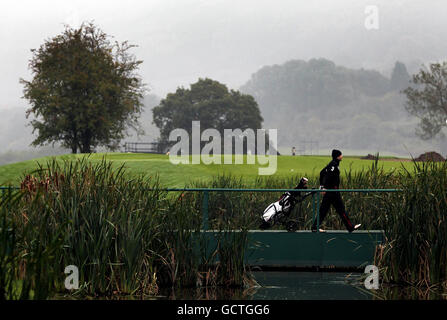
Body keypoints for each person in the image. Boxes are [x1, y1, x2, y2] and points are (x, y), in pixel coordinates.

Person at [312, 149, 361, 233]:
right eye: (341, 155)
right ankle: (350, 227)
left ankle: (314, 227)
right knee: (341, 210)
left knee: (324, 210)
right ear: (338, 156)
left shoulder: (332, 164)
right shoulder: (333, 165)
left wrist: (322, 186)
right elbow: (328, 177)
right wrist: (323, 187)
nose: (342, 156)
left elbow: (322, 173)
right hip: (333, 192)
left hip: (331, 192)